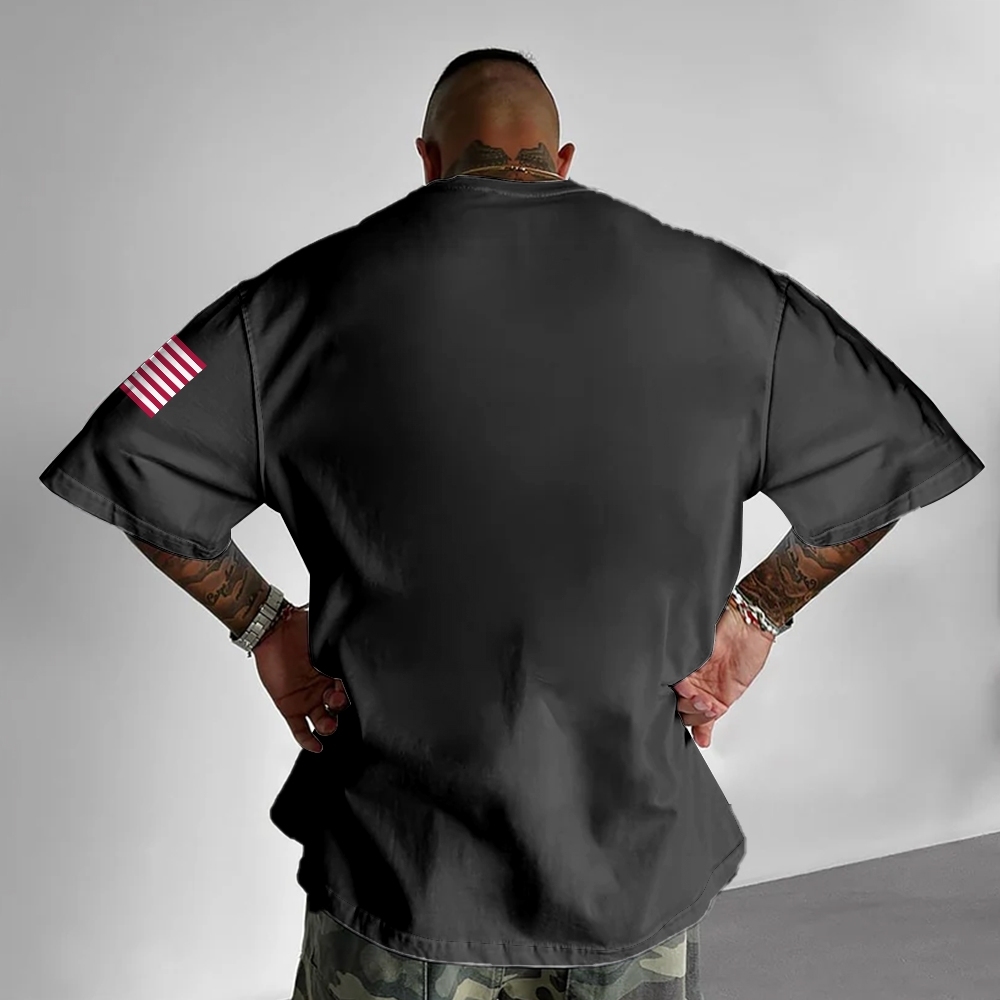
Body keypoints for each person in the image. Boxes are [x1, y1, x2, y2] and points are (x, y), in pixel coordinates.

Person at [37, 46, 984, 1000]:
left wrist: (262, 625)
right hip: (629, 869)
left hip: (402, 871)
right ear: (562, 160)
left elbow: (131, 446)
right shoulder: (731, 295)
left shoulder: (290, 304)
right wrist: (759, 615)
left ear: (427, 161)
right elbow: (891, 448)